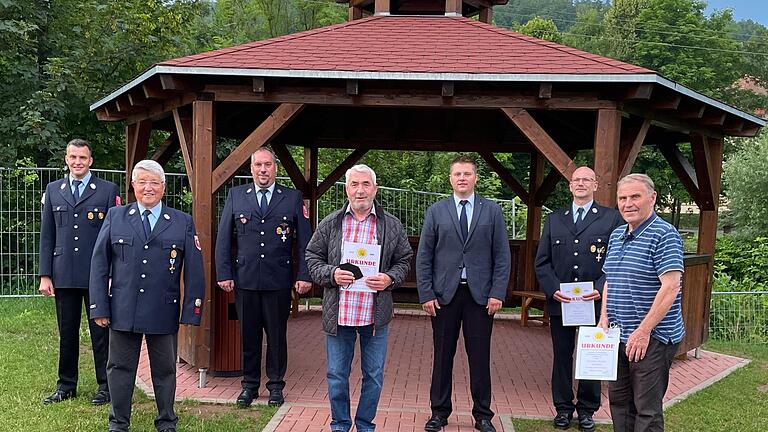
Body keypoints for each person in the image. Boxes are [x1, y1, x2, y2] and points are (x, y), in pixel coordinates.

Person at [89, 160, 205, 432]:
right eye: (142, 182)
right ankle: (118, 423)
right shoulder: (116, 216)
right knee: (119, 368)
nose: (148, 188)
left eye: (154, 182)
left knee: (164, 370)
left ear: (164, 187)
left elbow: (196, 271)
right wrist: (99, 307)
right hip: (123, 309)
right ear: (133, 186)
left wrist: (191, 311)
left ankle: (166, 421)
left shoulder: (182, 222)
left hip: (162, 309)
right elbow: (99, 264)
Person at [305, 164, 412, 432]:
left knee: (373, 377)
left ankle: (365, 425)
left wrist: (389, 278)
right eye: (355, 184)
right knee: (337, 376)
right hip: (339, 315)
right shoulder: (331, 223)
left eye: (366, 184)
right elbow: (312, 257)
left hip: (374, 317)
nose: (360, 190)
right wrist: (332, 274)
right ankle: (340, 425)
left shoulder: (391, 225)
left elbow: (404, 260)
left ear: (375, 189)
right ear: (347, 189)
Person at [416, 155, 511, 432]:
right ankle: (439, 412)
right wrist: (426, 294)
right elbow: (424, 256)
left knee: (479, 357)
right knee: (442, 356)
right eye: (457, 174)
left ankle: (483, 415)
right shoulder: (436, 211)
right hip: (444, 296)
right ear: (450, 178)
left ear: (475, 178)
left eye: (467, 174)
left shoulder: (491, 211)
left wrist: (498, 293)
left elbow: (502, 256)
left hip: (480, 298)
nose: (462, 178)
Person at [215, 146, 312, 407]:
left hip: (278, 280)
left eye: (268, 165)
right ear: (251, 168)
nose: (263, 170)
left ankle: (276, 386)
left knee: (277, 336)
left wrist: (304, 275)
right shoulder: (237, 196)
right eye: (258, 165)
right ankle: (249, 385)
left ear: (275, 169)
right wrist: (224, 273)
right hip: (245, 280)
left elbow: (305, 241)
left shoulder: (292, 198)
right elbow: (223, 238)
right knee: (248, 335)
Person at [534, 166, 623, 431]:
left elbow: (616, 260)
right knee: (562, 356)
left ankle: (586, 409)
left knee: (591, 355)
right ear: (570, 186)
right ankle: (562, 408)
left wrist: (600, 285)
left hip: (595, 303)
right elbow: (542, 262)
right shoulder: (554, 220)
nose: (581, 184)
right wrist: (552, 290)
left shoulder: (611, 219)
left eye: (586, 180)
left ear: (595, 185)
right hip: (562, 303)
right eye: (576, 180)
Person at [598, 173, 684, 432]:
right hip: (619, 334)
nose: (628, 203)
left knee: (646, 411)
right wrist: (603, 318)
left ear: (652, 198)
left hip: (652, 338)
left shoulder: (664, 235)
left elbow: (671, 287)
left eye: (635, 196)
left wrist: (644, 331)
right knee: (620, 403)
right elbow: (610, 279)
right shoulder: (616, 235)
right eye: (622, 198)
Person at [38, 138, 121, 406]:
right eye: (73, 157)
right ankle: (66, 386)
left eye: (82, 158)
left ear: (90, 161)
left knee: (100, 333)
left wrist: (111, 274)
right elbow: (47, 235)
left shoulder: (107, 191)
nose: (77, 162)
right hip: (63, 274)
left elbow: (114, 237)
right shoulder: (53, 190)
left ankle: (106, 387)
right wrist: (45, 275)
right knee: (67, 332)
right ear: (66, 159)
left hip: (96, 275)